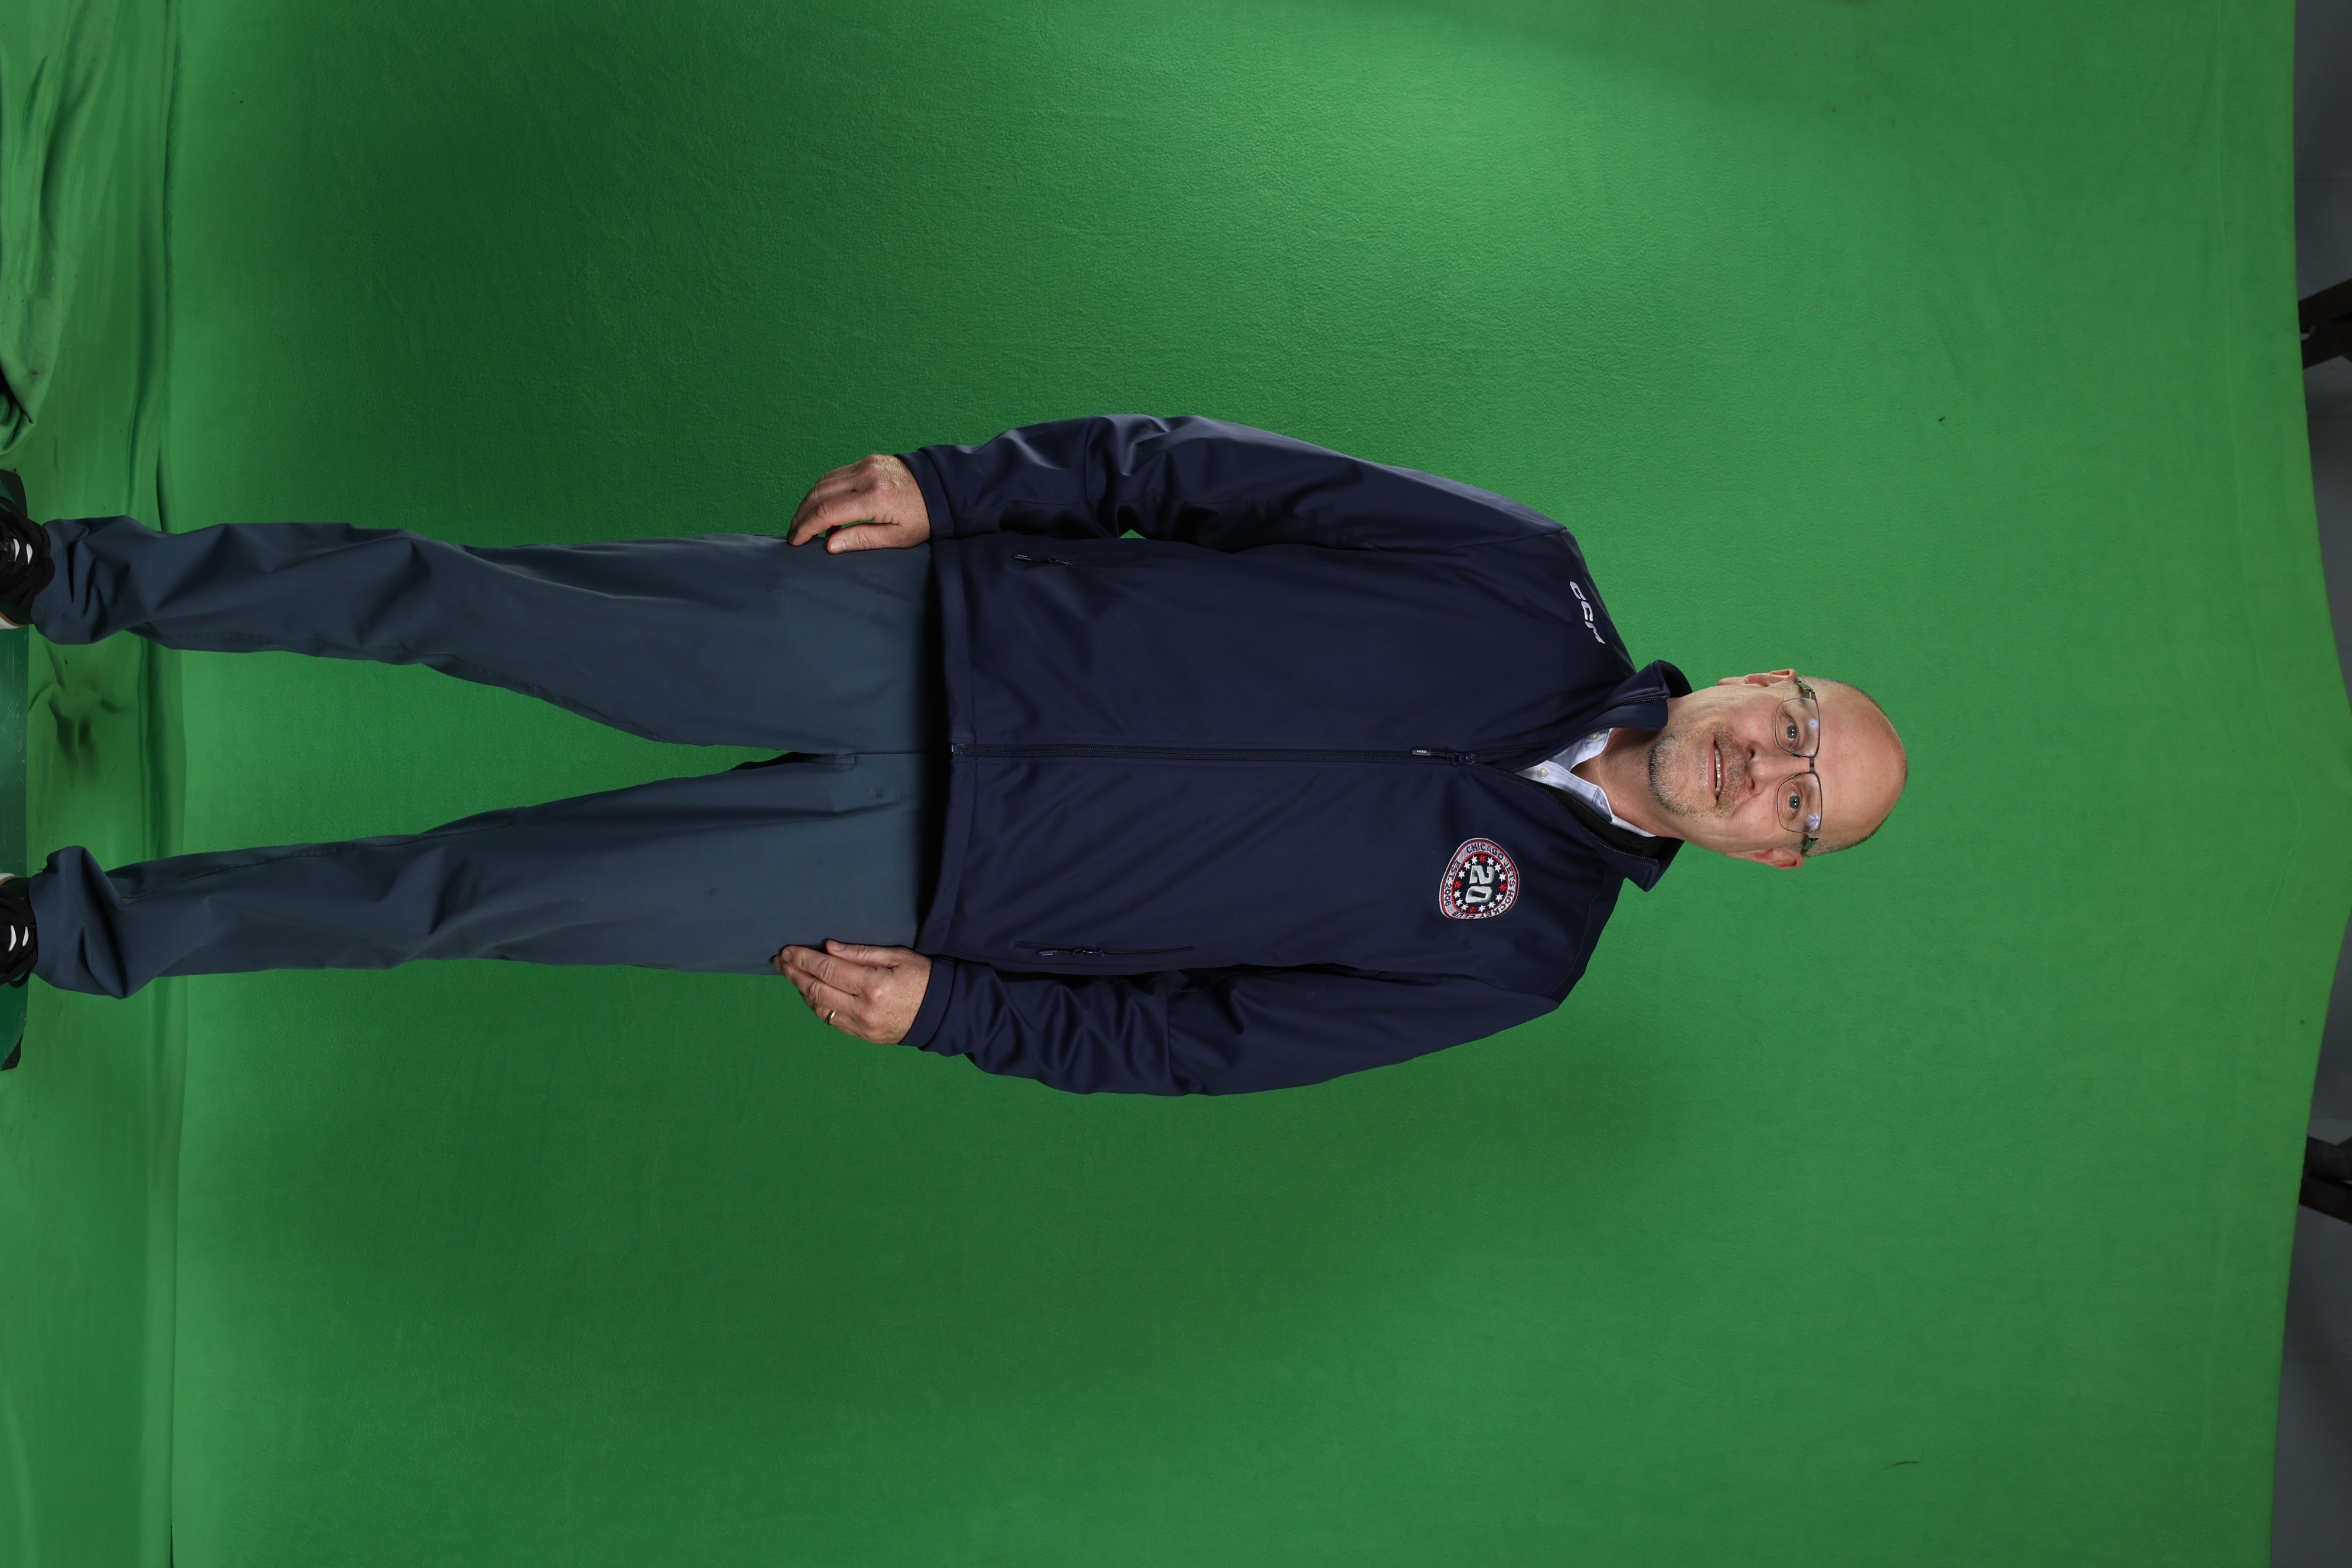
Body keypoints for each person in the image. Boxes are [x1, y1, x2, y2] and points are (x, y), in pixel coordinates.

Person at [0, 416, 1907, 1093]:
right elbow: (1194, 471)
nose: (1769, 767)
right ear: (1768, 676)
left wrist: (959, 1013)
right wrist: (955, 484)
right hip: (915, 630)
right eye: (1797, 725)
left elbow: (1209, 1044)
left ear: (1775, 859)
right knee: (462, 599)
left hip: (921, 886)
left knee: (465, 897)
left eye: (1802, 804)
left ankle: (60, 934)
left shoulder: (1521, 954)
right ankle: (63, 574)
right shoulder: (1521, 575)